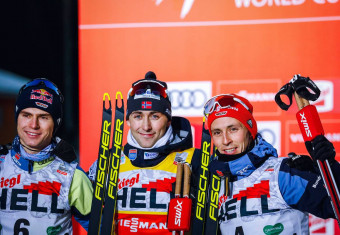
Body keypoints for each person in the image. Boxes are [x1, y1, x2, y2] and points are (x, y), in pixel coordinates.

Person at [204, 93, 340, 235]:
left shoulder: (282, 173)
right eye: (217, 132)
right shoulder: (210, 185)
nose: (226, 140)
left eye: (233, 129)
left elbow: (334, 206)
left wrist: (331, 168)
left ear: (250, 131)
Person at [88, 71, 201, 234]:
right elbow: (81, 209)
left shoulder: (193, 159)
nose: (146, 126)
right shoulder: (109, 160)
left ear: (168, 120)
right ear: (127, 120)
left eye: (155, 116)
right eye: (138, 116)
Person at [0, 78, 93, 234]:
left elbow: (100, 227)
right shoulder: (1, 165)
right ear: (17, 117)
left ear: (55, 123)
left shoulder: (72, 175)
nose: (33, 125)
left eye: (43, 117)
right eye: (27, 115)